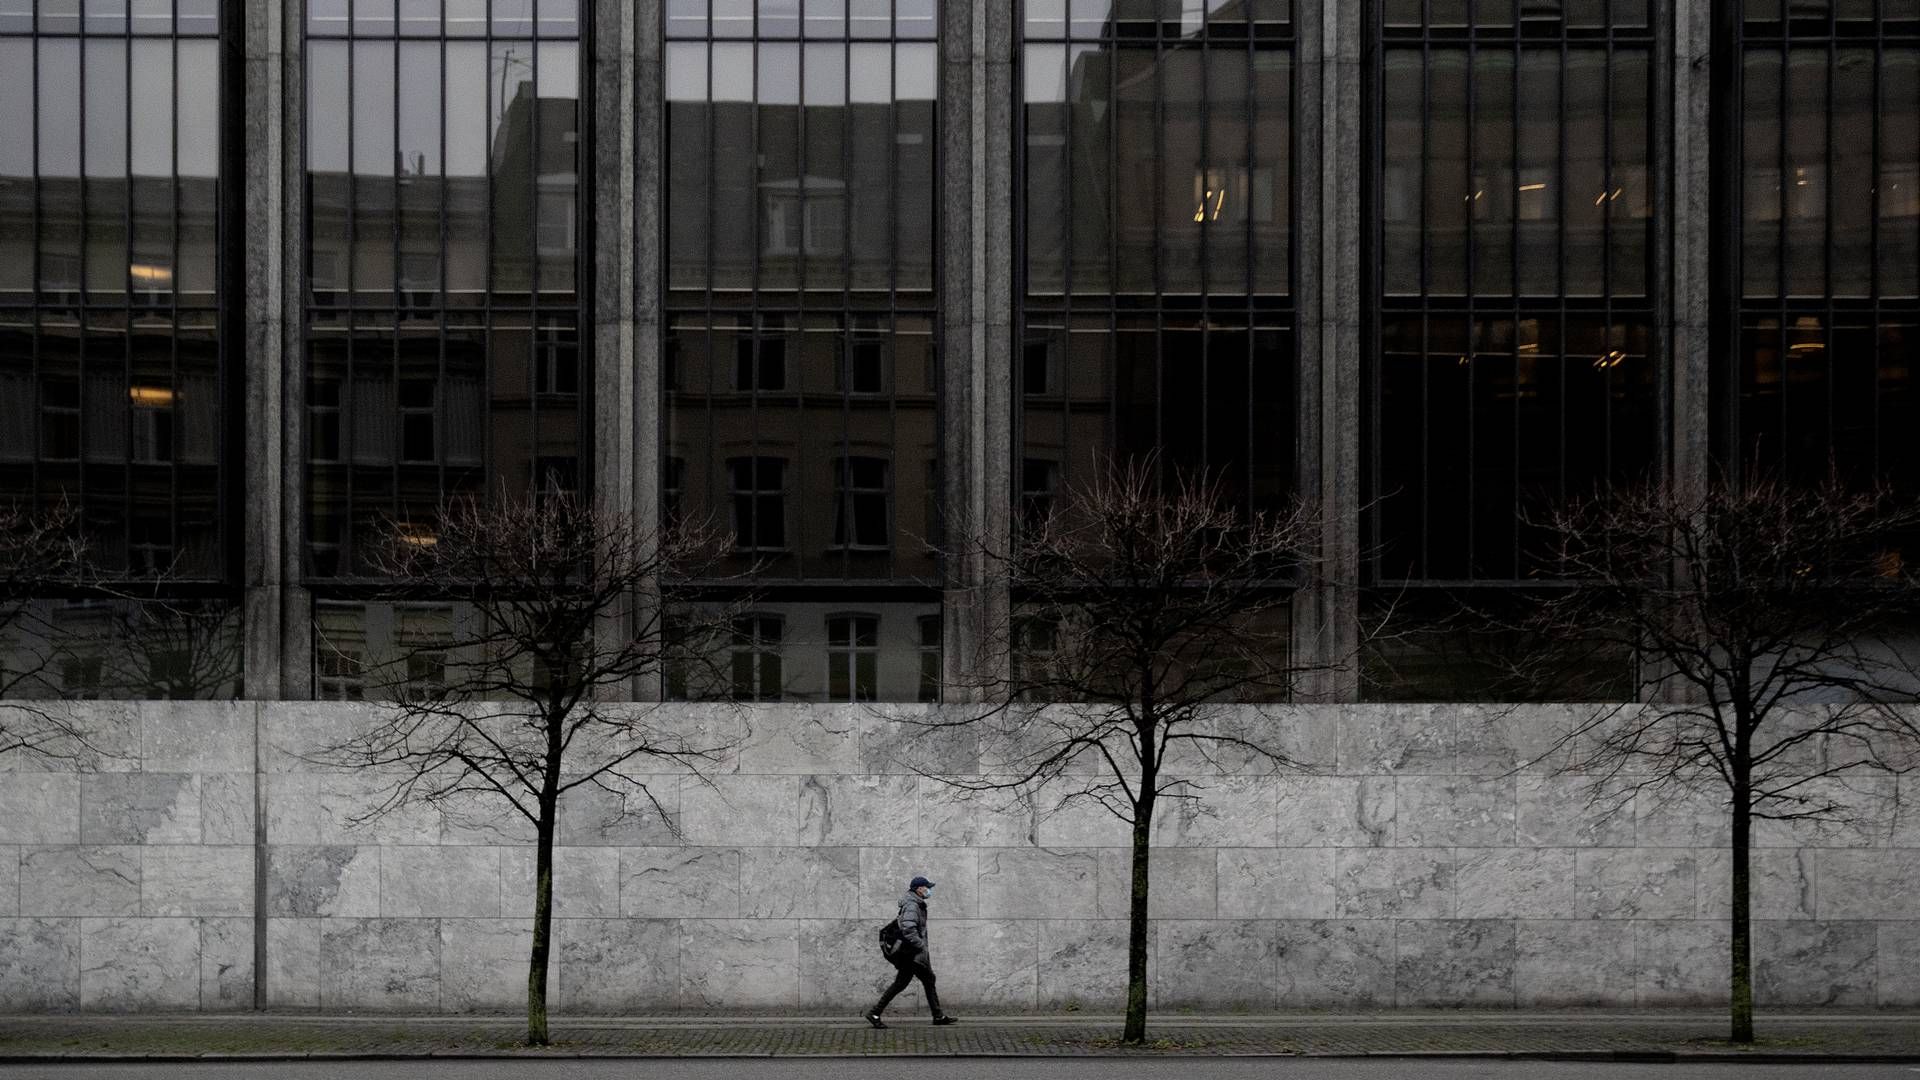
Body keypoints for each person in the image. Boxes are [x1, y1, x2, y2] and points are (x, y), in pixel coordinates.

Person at [866, 876, 957, 1028]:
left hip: (912, 954)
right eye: (927, 887)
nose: (929, 890)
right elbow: (908, 929)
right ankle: (874, 1013)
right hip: (912, 954)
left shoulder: (915, 903)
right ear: (919, 888)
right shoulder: (912, 905)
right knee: (911, 982)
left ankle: (938, 1015)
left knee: (922, 981)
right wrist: (920, 945)